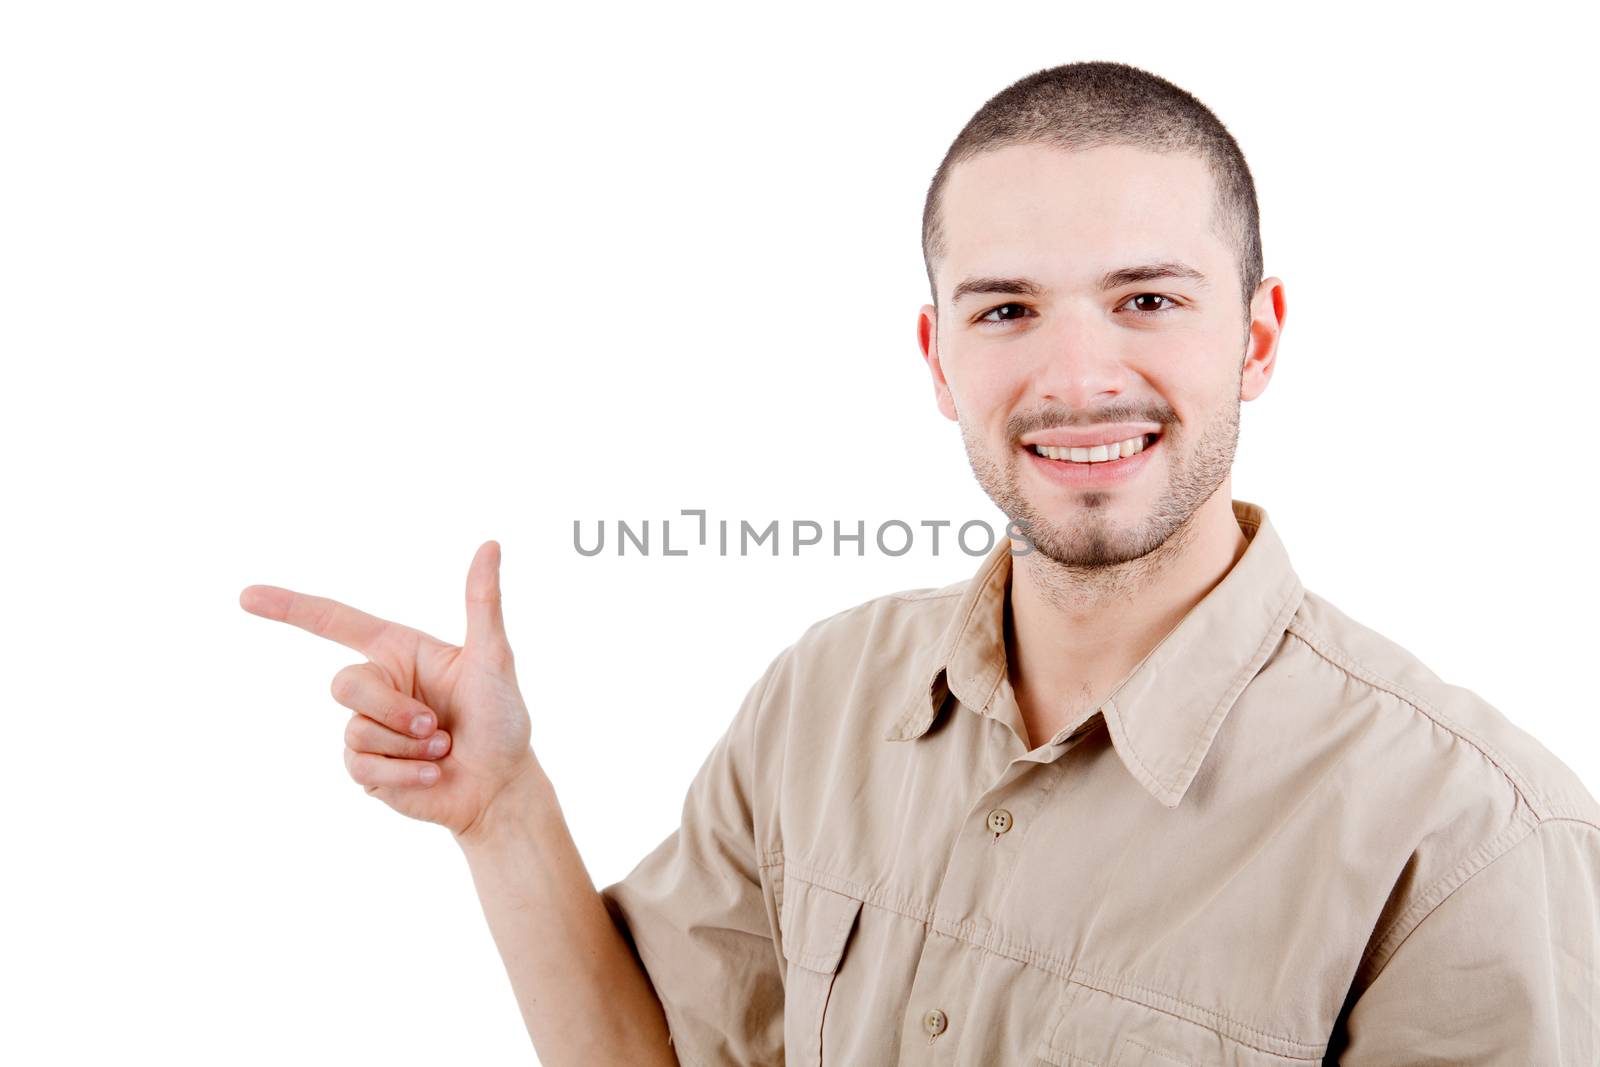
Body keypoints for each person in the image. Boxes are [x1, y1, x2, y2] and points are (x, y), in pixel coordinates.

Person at [239, 61, 1600, 1065]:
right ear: (940, 358)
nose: (1076, 377)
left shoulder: (1471, 837)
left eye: (1147, 300)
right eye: (1006, 308)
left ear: (1257, 337)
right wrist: (501, 810)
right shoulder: (825, 694)